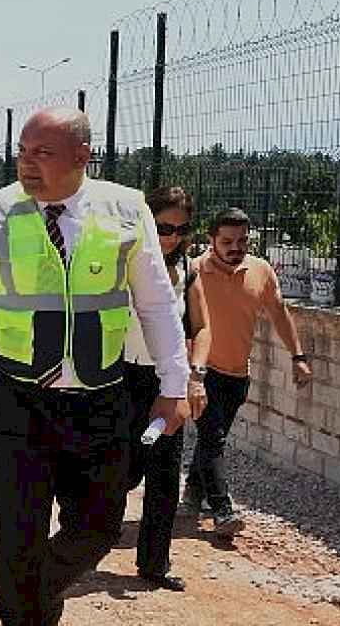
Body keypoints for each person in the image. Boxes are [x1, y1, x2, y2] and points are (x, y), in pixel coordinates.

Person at [0, 107, 191, 626]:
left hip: (100, 397)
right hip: (17, 398)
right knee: (17, 532)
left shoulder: (126, 209)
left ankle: (30, 592)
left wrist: (175, 384)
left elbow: (157, 304)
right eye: (22, 152)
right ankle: (27, 607)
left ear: (81, 156)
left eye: (43, 153)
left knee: (99, 526)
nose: (27, 164)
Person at [181, 207, 311, 536]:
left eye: (242, 241)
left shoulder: (261, 270)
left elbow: (279, 313)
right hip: (201, 371)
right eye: (227, 241)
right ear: (211, 240)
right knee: (213, 438)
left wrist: (297, 356)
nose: (235, 248)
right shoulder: (193, 271)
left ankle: (193, 493)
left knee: (212, 438)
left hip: (238, 374)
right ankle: (222, 511)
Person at [123, 186, 212, 591]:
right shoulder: (124, 263)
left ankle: (154, 564)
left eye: (181, 229)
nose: (172, 237)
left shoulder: (188, 271)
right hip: (120, 380)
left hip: (166, 384)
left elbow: (203, 327)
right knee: (121, 471)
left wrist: (196, 376)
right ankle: (81, 541)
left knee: (163, 475)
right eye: (163, 228)